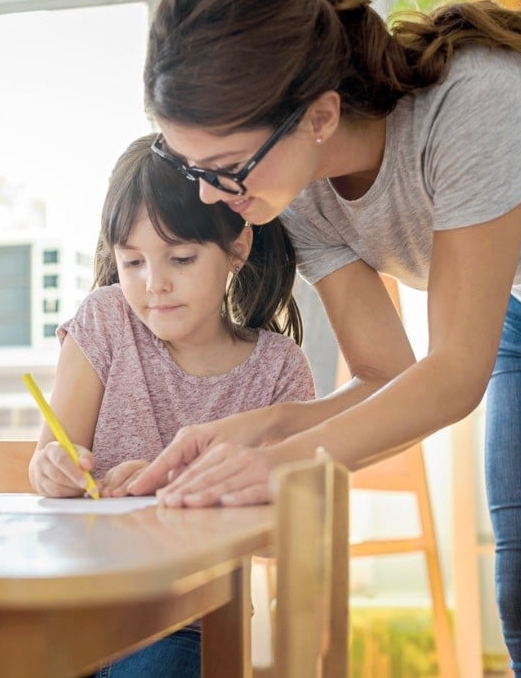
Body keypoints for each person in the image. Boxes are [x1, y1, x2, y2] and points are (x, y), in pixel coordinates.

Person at [126, 0, 521, 675]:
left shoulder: (477, 101)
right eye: (195, 168)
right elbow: (388, 373)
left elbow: (454, 371)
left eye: (225, 166)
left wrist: (280, 465)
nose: (208, 196)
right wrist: (257, 430)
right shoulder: (299, 189)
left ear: (319, 114)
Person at [28, 134, 314, 676]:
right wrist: (53, 470)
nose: (154, 285)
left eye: (180, 257)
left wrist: (181, 491)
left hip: (191, 617)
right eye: (132, 262)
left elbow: (286, 539)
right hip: (75, 602)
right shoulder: (105, 320)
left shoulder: (278, 371)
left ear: (237, 247)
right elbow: (51, 464)